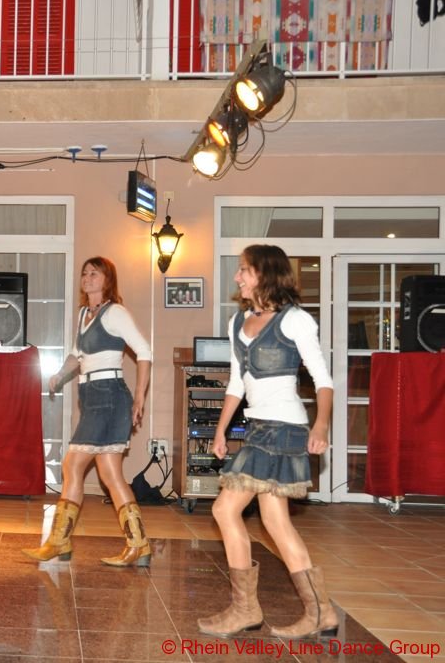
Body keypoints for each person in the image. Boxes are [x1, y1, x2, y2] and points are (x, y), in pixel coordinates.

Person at [197, 244, 336, 640]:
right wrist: (221, 430)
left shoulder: (296, 321)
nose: (237, 277)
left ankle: (245, 609)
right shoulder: (237, 323)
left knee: (225, 509)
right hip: (258, 427)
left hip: (285, 428)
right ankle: (321, 612)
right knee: (275, 522)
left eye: (244, 270)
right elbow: (237, 383)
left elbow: (323, 380)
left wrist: (321, 426)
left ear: (265, 273)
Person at [22, 256, 152, 566]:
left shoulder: (115, 312)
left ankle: (59, 541)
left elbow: (144, 351)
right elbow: (76, 355)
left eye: (95, 273)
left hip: (110, 396)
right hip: (92, 397)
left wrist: (139, 397)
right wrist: (59, 375)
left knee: (72, 464)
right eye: (85, 273)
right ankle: (139, 545)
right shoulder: (84, 314)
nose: (87, 277)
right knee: (109, 473)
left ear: (108, 280)